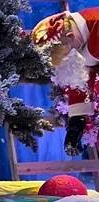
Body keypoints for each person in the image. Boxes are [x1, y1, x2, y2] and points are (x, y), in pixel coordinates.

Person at [32, 7, 99, 155]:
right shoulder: (81, 40)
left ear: (69, 36)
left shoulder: (95, 26)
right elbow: (79, 79)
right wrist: (77, 121)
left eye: (63, 56)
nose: (64, 62)